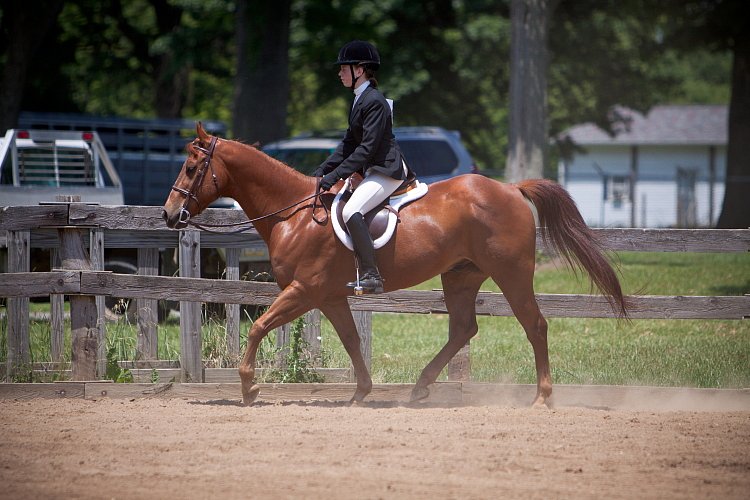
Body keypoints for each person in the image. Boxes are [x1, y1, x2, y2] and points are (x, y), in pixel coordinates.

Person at [314, 40, 411, 295]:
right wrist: (322, 170)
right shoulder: (360, 99)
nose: (339, 73)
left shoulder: (374, 101)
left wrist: (335, 175)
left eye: (343, 68)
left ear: (359, 70)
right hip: (374, 169)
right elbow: (348, 144)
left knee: (351, 211)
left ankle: (371, 275)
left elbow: (366, 149)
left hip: (386, 170)